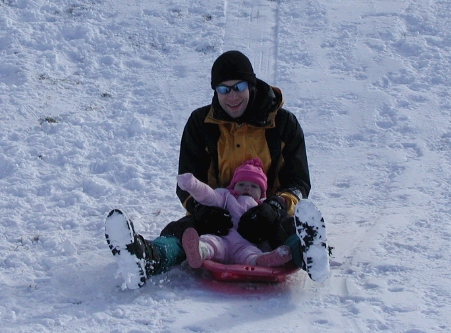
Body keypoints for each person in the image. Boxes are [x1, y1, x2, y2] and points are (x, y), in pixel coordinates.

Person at [104, 50, 329, 289]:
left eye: (238, 87)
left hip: (266, 217)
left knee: (286, 230)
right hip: (217, 214)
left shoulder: (284, 124)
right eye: (223, 89)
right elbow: (188, 180)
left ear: (251, 85)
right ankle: (148, 258)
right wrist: (201, 210)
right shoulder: (200, 125)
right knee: (184, 231)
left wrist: (274, 206)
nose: (231, 96)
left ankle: (309, 251)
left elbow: (298, 181)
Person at [178, 158, 293, 268]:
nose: (247, 188)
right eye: (241, 184)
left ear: (262, 192)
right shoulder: (226, 197)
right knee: (209, 241)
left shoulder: (263, 207)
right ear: (233, 186)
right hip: (222, 239)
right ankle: (199, 251)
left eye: (254, 186)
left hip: (245, 244)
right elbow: (208, 195)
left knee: (251, 254)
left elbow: (276, 218)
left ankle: (262, 260)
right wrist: (193, 185)